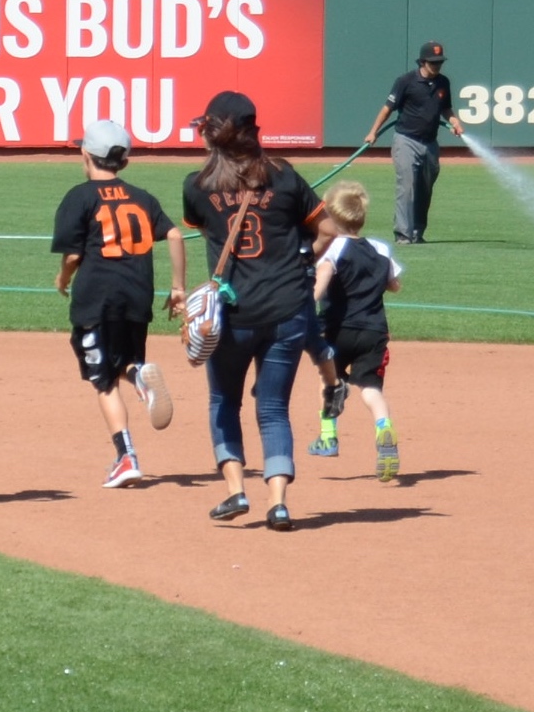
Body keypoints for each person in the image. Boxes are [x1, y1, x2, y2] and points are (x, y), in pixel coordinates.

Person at [182, 91, 338, 532]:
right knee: (273, 408)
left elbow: (205, 231)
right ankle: (279, 503)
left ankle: (236, 490)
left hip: (232, 314)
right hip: (287, 310)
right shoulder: (284, 176)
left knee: (223, 401)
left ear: (212, 133)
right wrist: (302, 258)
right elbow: (328, 230)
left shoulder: (197, 186)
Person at [50, 119, 187, 489]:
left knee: (104, 380)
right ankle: (138, 375)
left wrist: (62, 279)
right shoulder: (143, 197)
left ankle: (126, 457)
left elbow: (73, 256)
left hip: (98, 298)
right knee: (123, 360)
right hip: (137, 296)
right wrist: (178, 288)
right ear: (124, 160)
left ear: (85, 154)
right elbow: (175, 235)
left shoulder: (80, 196)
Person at [307, 181, 405, 482]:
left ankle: (328, 437)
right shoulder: (380, 249)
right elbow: (394, 284)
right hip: (374, 331)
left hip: (337, 329)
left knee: (329, 380)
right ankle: (384, 427)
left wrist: (306, 304)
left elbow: (321, 283)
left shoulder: (332, 248)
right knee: (372, 388)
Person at [363, 40, 465, 245]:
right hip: (406, 140)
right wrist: (373, 132)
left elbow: (446, 108)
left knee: (425, 190)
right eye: (433, 62)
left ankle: (417, 232)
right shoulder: (405, 81)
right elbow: (388, 108)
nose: (437, 66)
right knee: (407, 187)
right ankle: (403, 234)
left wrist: (454, 121)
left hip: (430, 143)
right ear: (422, 62)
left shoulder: (443, 82)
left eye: (440, 62)